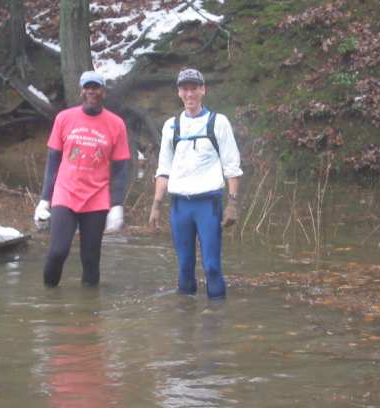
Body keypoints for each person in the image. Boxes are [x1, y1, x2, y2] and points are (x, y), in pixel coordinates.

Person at [149, 68, 242, 299]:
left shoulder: (218, 122)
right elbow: (164, 169)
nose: (189, 93)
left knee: (211, 266)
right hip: (180, 206)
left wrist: (232, 204)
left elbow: (232, 166)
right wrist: (156, 205)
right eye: (184, 89)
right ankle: (185, 324)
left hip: (208, 205)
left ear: (203, 90)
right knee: (184, 267)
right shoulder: (171, 126)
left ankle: (217, 319)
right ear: (179, 93)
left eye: (194, 88)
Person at [34, 70, 130, 287]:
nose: (91, 92)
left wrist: (116, 205)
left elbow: (121, 168)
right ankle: (49, 299)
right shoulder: (64, 118)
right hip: (65, 193)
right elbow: (53, 161)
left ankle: (89, 312)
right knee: (58, 252)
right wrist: (44, 200)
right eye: (87, 87)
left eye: (96, 87)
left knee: (90, 258)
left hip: (97, 198)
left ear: (103, 91)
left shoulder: (116, 124)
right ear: (81, 91)